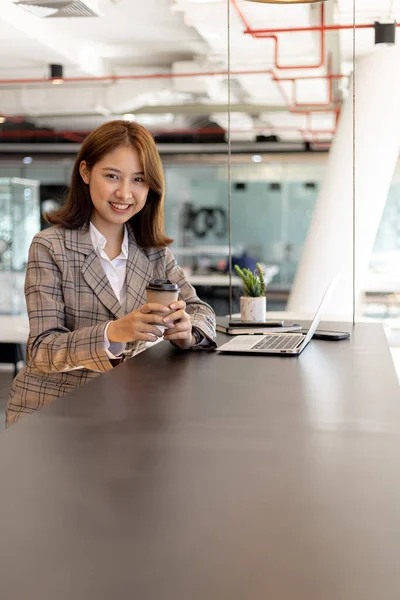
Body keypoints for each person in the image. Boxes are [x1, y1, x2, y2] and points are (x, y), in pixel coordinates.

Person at [6, 120, 216, 426]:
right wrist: (113, 332)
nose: (125, 193)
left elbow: (202, 311)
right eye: (112, 176)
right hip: (55, 415)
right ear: (86, 172)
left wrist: (187, 331)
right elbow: (42, 350)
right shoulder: (50, 246)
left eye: (139, 179)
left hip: (127, 410)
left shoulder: (153, 252)